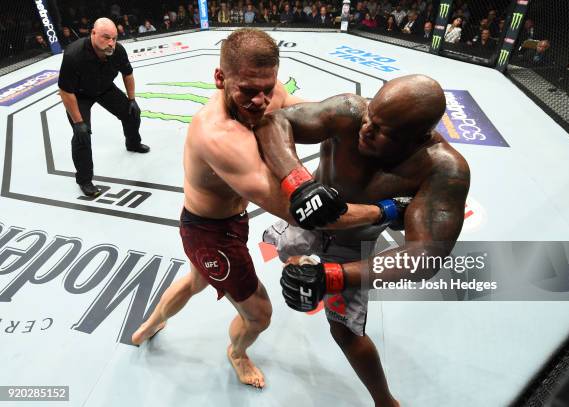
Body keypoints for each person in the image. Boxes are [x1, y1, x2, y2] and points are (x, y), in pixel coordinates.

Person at [130, 28, 407, 389]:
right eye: (247, 90)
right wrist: (384, 210)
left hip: (231, 220)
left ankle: (149, 326)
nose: (261, 101)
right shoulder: (219, 135)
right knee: (258, 315)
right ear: (220, 78)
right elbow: (303, 214)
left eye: (267, 88)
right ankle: (237, 353)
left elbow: (317, 115)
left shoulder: (266, 91)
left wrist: (375, 119)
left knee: (197, 278)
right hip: (210, 233)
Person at [257, 75, 470, 406]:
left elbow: (426, 255)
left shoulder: (442, 168)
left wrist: (332, 277)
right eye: (371, 116)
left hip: (348, 250)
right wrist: (300, 184)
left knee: (345, 333)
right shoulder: (350, 111)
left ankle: (385, 402)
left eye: (383, 130)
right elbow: (274, 121)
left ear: (419, 137)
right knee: (269, 242)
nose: (366, 129)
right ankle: (299, 256)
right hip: (306, 216)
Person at [58, 17, 149, 197]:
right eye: (106, 37)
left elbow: (128, 74)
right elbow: (65, 91)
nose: (111, 43)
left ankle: (133, 142)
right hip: (79, 94)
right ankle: (84, 180)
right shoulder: (73, 55)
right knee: (81, 135)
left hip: (104, 88)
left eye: (114, 38)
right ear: (93, 34)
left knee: (132, 113)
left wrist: (132, 100)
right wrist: (78, 122)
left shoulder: (118, 51)